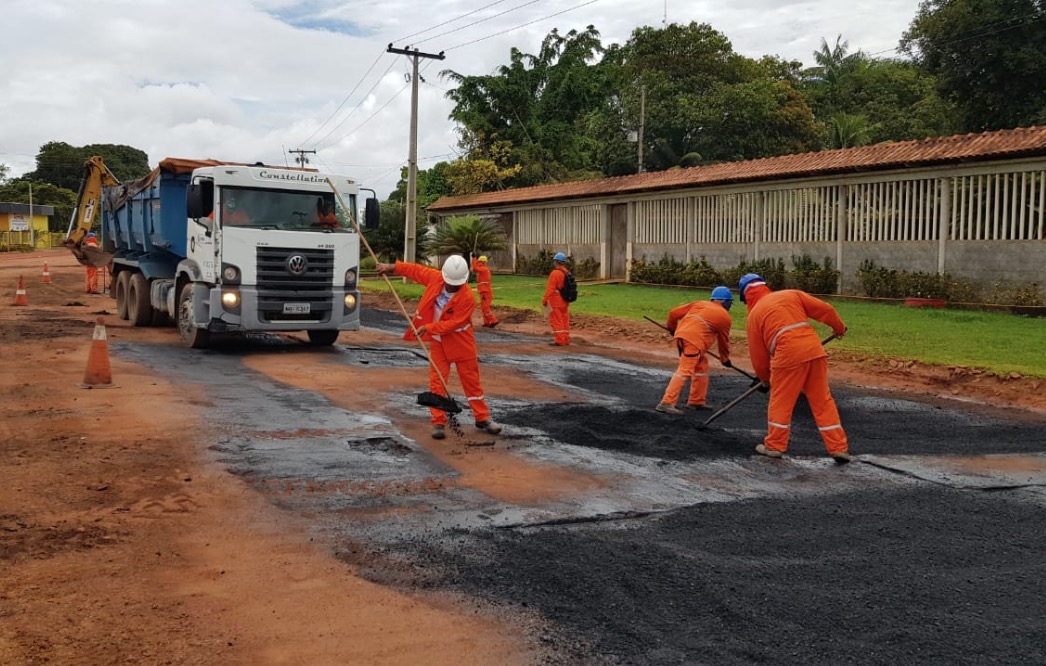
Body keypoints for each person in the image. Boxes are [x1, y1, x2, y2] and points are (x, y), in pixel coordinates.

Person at [375, 256, 503, 440]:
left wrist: (428, 327)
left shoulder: (467, 297)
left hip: (461, 343)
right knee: (437, 382)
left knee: (472, 383)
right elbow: (416, 270)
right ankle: (438, 422)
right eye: (450, 283)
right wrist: (392, 267)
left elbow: (453, 323)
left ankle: (482, 418)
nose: (451, 287)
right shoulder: (437, 278)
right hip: (439, 343)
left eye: (455, 284)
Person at [739, 273, 851, 463]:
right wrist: (838, 328)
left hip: (787, 355)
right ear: (765, 287)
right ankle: (838, 448)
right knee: (822, 400)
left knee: (781, 401)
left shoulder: (755, 315)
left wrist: (765, 378)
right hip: (814, 350)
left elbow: (758, 356)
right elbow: (826, 310)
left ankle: (774, 446)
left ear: (746, 297)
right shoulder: (791, 295)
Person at [655, 286, 733, 415]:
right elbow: (723, 342)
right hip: (693, 342)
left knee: (701, 365)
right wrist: (725, 359)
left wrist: (672, 328)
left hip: (683, 337)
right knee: (685, 369)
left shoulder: (700, 304)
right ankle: (666, 402)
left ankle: (696, 401)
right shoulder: (725, 317)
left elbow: (673, 313)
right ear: (727, 302)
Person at [542, 252, 572, 346]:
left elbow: (550, 288)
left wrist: (545, 299)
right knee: (564, 320)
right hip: (565, 300)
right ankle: (565, 339)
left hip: (556, 301)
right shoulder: (567, 272)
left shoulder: (555, 273)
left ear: (556, 262)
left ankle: (559, 340)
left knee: (557, 320)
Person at [471, 255, 499, 328]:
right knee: (484, 308)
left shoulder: (483, 269)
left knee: (485, 308)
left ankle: (493, 320)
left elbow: (474, 268)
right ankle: (487, 322)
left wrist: (474, 258)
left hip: (485, 291)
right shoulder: (483, 269)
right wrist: (476, 259)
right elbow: (476, 267)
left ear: (481, 262)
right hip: (484, 291)